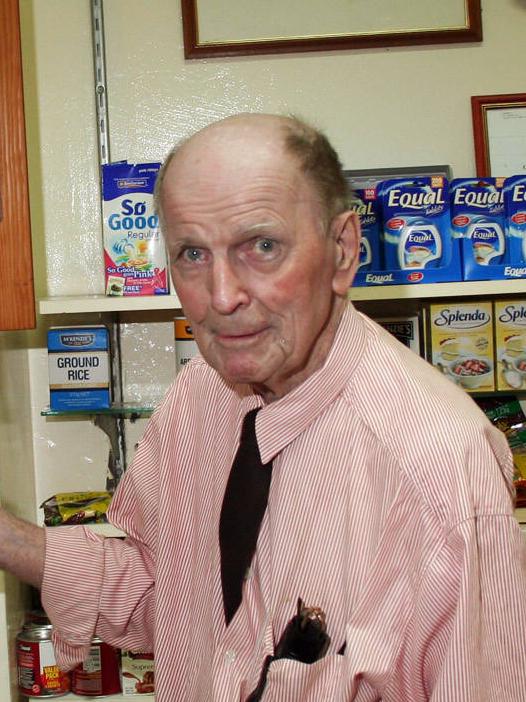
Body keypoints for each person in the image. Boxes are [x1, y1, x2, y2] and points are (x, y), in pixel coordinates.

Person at [1, 113, 526, 701]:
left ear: (343, 250)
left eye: (263, 246)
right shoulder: (199, 393)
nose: (222, 296)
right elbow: (166, 598)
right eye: (192, 254)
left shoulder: (440, 462)